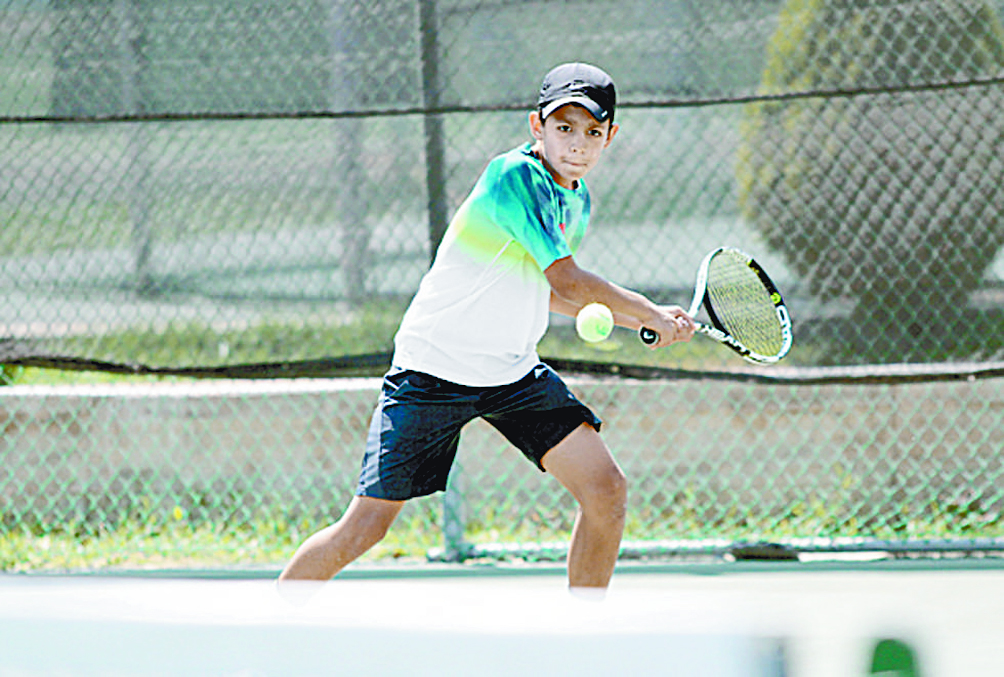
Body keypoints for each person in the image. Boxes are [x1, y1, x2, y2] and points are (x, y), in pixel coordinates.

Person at [278, 62, 695, 595]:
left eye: (593, 132)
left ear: (610, 137)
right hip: (432, 371)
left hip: (512, 375)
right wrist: (649, 310)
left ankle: (583, 632)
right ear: (536, 126)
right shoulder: (512, 176)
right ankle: (268, 626)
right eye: (564, 127)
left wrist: (640, 321)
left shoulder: (577, 199)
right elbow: (567, 278)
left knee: (605, 490)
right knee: (366, 527)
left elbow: (547, 291)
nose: (577, 143)